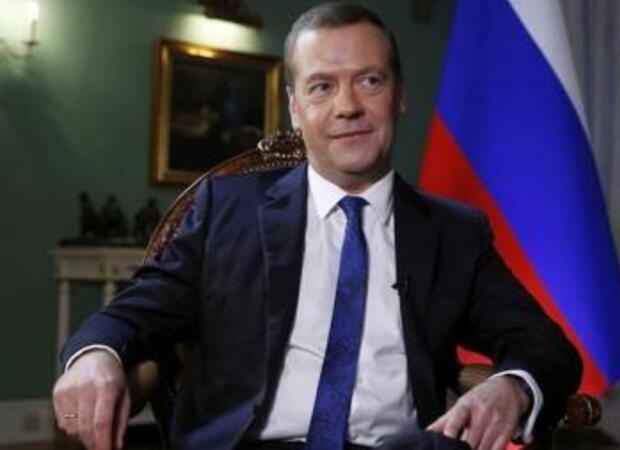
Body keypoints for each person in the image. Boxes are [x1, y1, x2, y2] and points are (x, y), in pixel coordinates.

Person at [52, 3, 581, 450]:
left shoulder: (452, 232)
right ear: (295, 107)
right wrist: (96, 356)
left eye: (369, 81)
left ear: (400, 94)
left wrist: (512, 386)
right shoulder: (227, 210)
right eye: (322, 87)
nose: (347, 106)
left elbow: (545, 346)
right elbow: (136, 312)